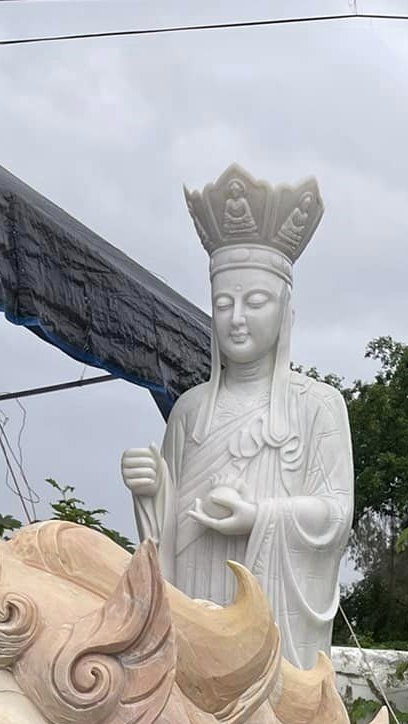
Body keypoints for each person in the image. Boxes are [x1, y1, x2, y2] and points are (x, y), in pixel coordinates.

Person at [123, 165, 353, 669]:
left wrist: (260, 517)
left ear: (285, 311)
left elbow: (337, 514)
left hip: (267, 608)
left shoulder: (318, 405)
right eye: (223, 304)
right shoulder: (190, 410)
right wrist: (153, 491)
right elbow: (164, 538)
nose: (237, 318)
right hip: (196, 596)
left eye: (255, 302)